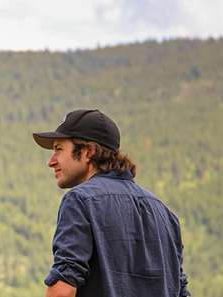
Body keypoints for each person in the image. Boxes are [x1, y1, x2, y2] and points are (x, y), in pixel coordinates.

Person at [33, 109, 189, 297]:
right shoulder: (165, 214)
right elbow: (179, 291)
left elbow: (62, 290)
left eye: (59, 149)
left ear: (88, 151)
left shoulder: (80, 200)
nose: (51, 161)